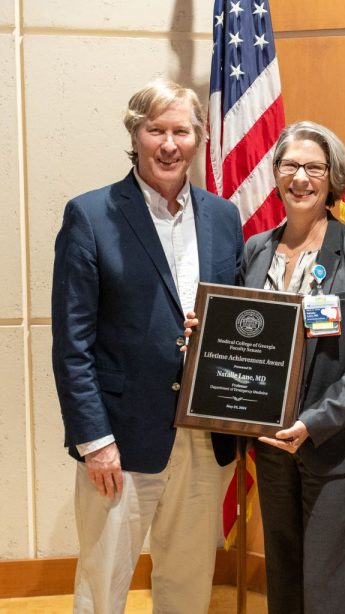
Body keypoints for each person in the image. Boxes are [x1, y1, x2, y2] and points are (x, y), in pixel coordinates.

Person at [51, 79, 243, 613]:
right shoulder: (90, 216)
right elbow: (72, 343)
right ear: (134, 135)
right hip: (121, 441)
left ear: (198, 139)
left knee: (188, 582)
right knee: (103, 583)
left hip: (205, 440)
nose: (168, 143)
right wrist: (94, 441)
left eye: (180, 130)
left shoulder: (224, 217)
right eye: (154, 129)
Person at [240, 121, 345, 613]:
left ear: (332, 178)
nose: (301, 177)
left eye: (314, 167)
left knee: (329, 589)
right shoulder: (255, 250)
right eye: (290, 165)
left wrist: (313, 422)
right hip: (270, 446)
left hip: (337, 445)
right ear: (276, 174)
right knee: (283, 581)